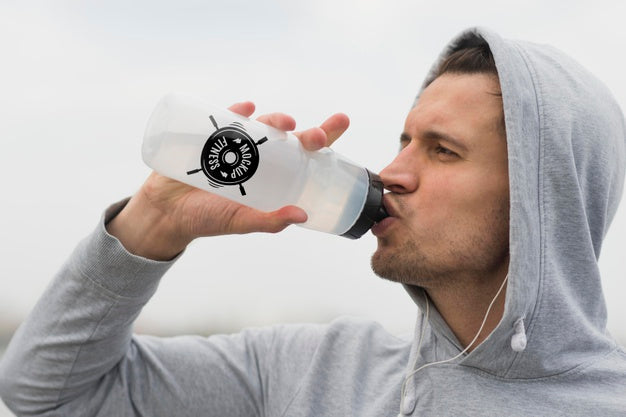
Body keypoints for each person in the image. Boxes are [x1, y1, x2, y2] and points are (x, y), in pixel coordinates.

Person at [1, 26, 625, 417]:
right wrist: (154, 224)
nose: (392, 172)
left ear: (546, 197)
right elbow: (43, 393)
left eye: (442, 150)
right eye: (402, 142)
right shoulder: (313, 370)